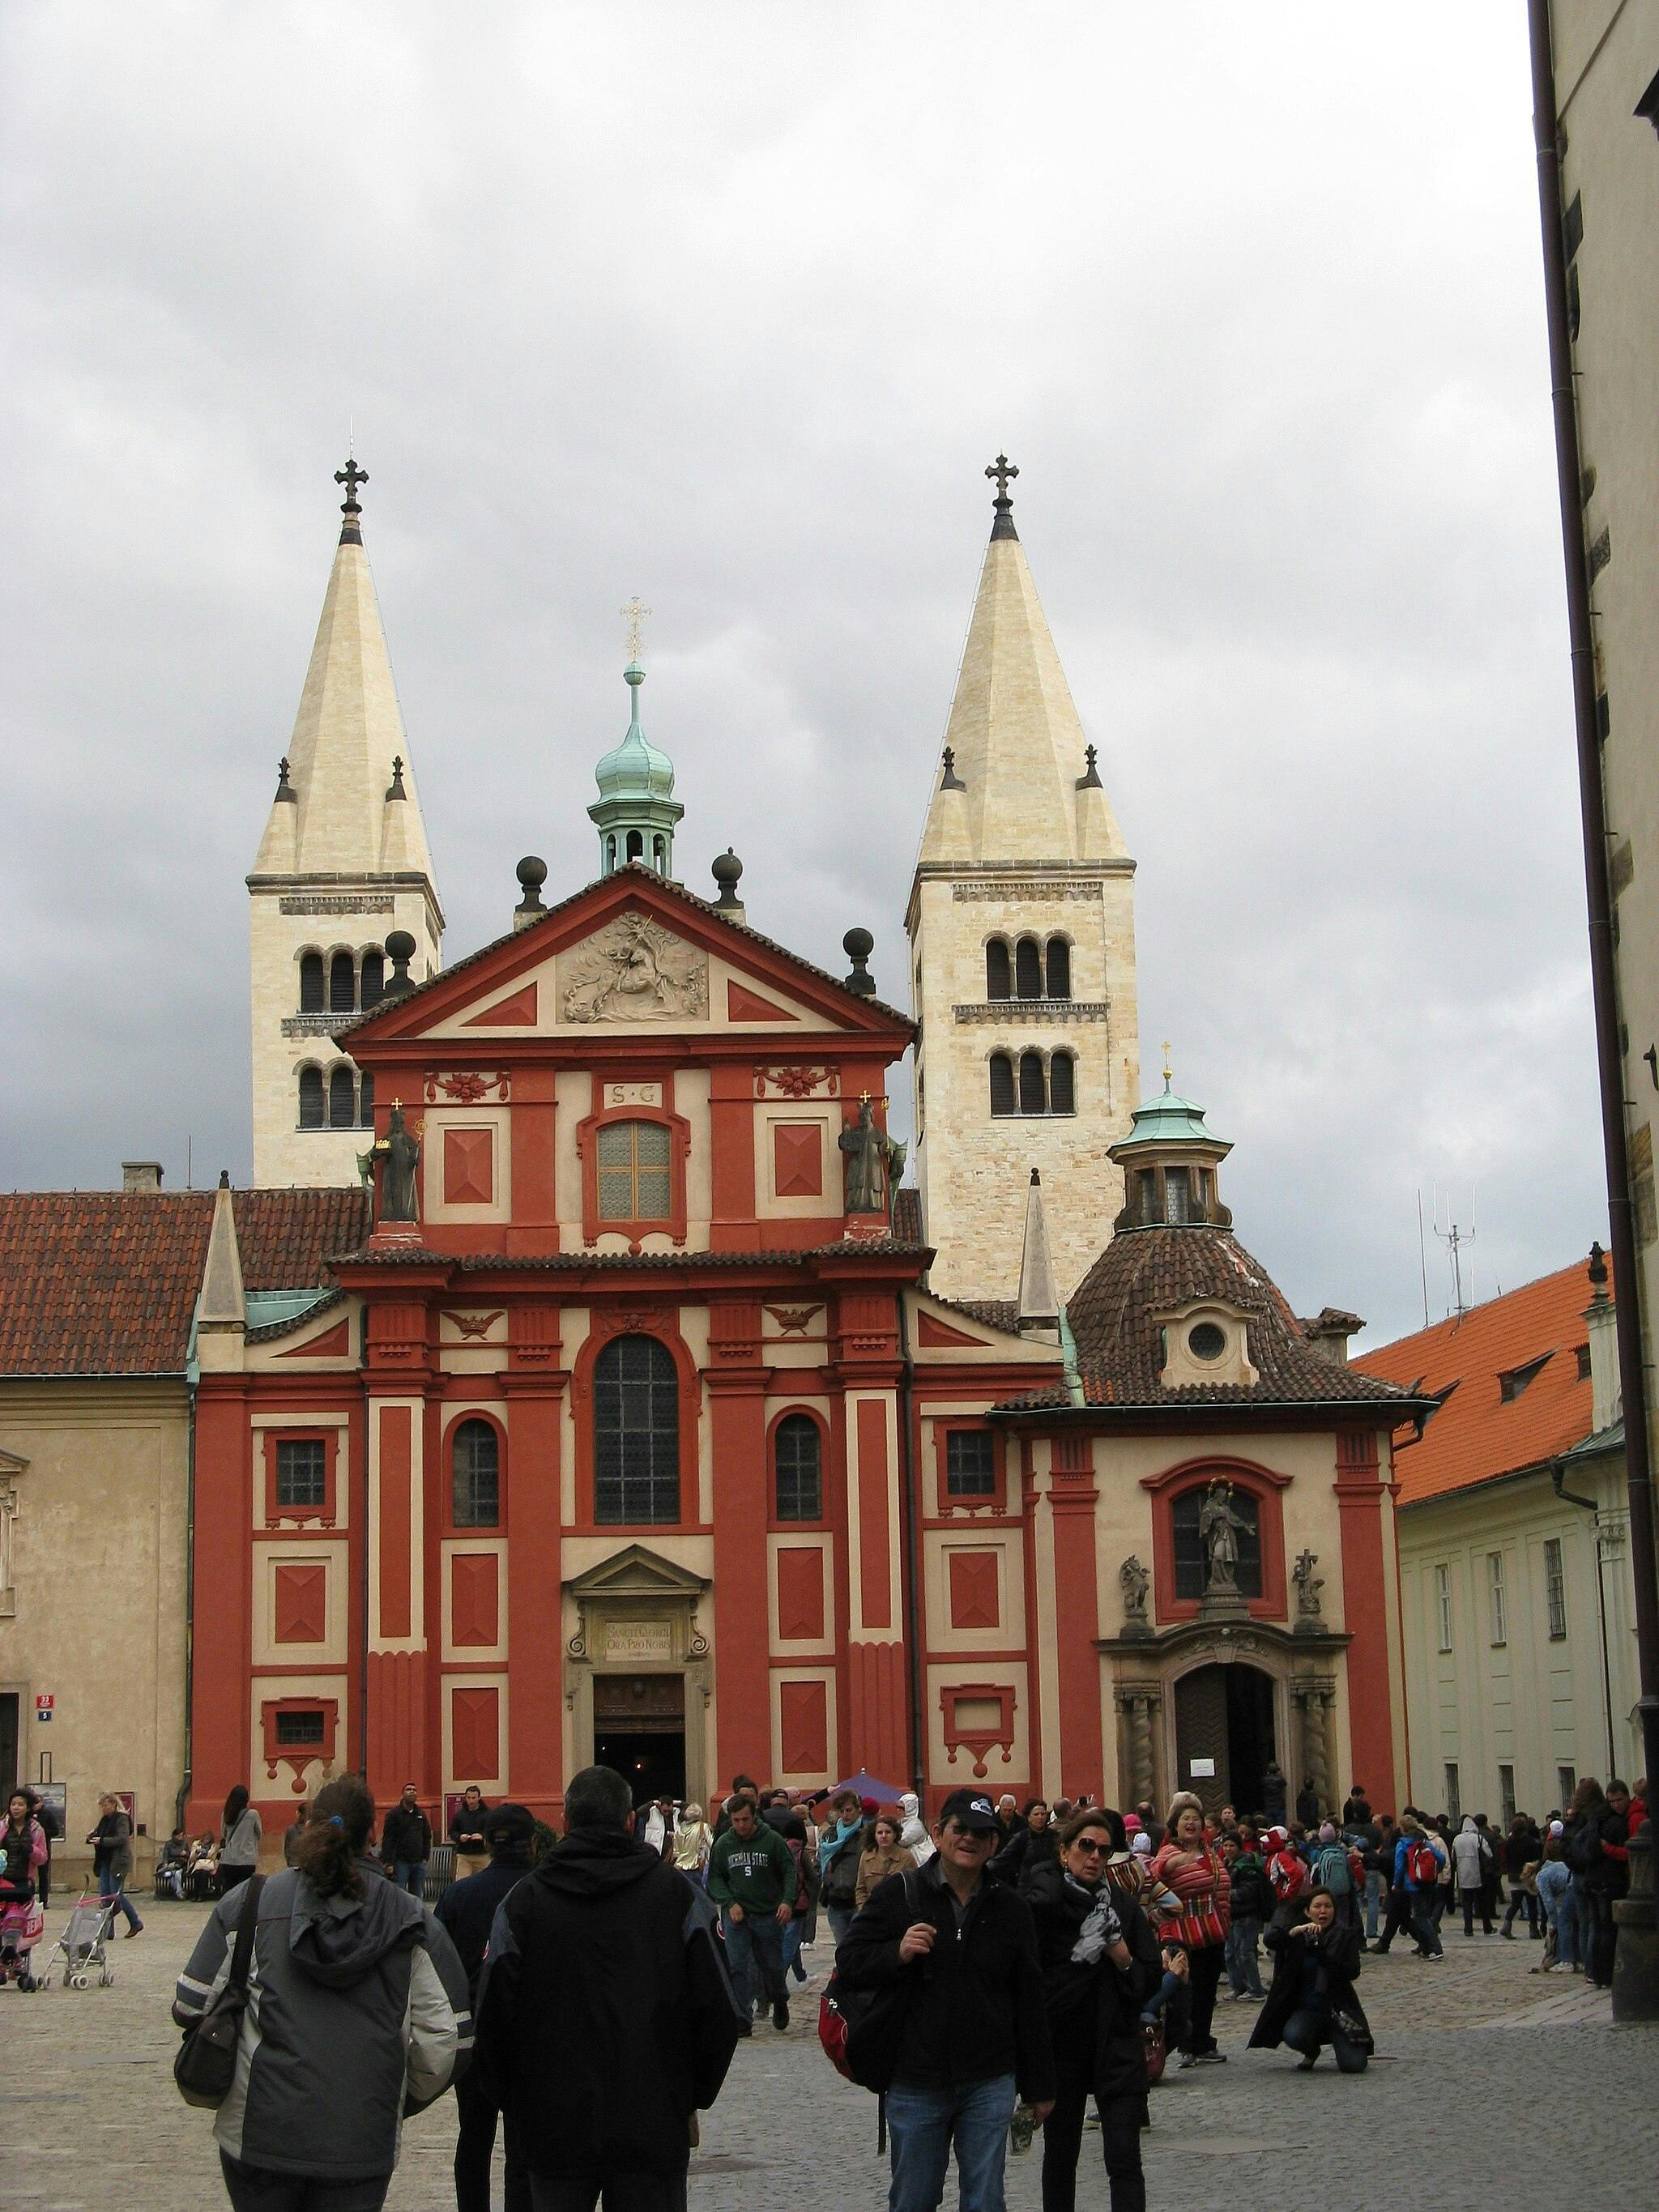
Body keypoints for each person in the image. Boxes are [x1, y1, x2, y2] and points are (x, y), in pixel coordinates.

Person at [173, 1771, 468, 2212]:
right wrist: (397, 2098)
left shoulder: (251, 1902)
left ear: (308, 1825)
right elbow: (448, 2040)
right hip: (360, 2138)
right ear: (372, 1833)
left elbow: (189, 2004)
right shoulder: (414, 1920)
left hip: (261, 2134)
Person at [476, 1763, 740, 2212]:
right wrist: (685, 2095)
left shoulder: (523, 1902)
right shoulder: (678, 1897)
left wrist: (520, 2105)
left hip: (553, 2125)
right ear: (631, 1822)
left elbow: (492, 2018)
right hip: (653, 2122)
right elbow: (720, 2011)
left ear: (563, 1822)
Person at [836, 1787, 1055, 2212]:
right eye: (959, 1829)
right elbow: (850, 1960)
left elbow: (1030, 1999)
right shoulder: (900, 1894)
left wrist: (1040, 2086)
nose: (969, 1839)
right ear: (937, 1834)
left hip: (989, 2078)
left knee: (985, 2199)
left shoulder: (1011, 1908)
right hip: (916, 2078)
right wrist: (895, 1953)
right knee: (914, 2199)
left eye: (981, 1832)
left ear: (994, 1843)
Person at [1026, 1809, 1160, 2212]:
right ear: (1064, 1852)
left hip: (1116, 2047)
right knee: (1060, 2158)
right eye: (1086, 1846)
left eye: (1105, 1850)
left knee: (1124, 2159)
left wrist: (1122, 1958)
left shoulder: (1122, 1906)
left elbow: (1148, 1981)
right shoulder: (1045, 1905)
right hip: (1063, 2048)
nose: (1096, 1856)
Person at [436, 1801, 538, 2212]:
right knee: (523, 2144)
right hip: (529, 2036)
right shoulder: (543, 1889)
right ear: (532, 1844)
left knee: (473, 2139)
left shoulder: (459, 1894)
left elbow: (436, 1965)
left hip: (475, 2031)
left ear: (490, 1847)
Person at [1249, 1885, 1371, 2073]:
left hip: (1339, 2010)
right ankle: (1311, 2050)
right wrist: (1295, 1931)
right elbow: (1271, 1940)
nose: (1323, 1911)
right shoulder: (1299, 1937)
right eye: (1317, 1906)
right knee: (1294, 2035)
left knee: (1354, 2066)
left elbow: (1352, 1972)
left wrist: (1322, 1954)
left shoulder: (1344, 1935)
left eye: (1328, 1906)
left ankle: (1341, 2040)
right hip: (1308, 2009)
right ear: (1307, 1911)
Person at [1149, 1793, 1230, 2066]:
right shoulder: (1169, 1852)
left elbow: (1222, 1888)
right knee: (1185, 1990)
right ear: (1175, 1824)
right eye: (1186, 1819)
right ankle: (1185, 2042)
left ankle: (1202, 2042)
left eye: (1196, 1819)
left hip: (1211, 1930)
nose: (1192, 1823)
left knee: (1207, 1991)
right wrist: (1175, 1863)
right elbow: (1157, 1870)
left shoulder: (1210, 1853)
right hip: (1182, 1932)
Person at [707, 1794, 797, 2033]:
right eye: (736, 1820)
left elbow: (789, 1871)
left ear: (754, 1816)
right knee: (737, 1965)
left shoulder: (772, 1840)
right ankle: (742, 2017)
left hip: (768, 1913)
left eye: (745, 1819)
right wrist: (728, 1902)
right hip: (737, 1914)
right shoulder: (724, 1844)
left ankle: (779, 1999)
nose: (741, 1825)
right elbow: (715, 1878)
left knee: (771, 1965)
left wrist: (787, 1901)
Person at [1566, 1775, 1629, 1988]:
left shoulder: (1576, 1819)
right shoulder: (1608, 1820)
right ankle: (1602, 1972)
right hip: (1604, 1878)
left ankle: (1591, 1972)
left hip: (1584, 1875)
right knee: (1603, 1928)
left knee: (1589, 1926)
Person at [87, 1792, 143, 1936]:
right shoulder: (104, 1820)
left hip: (118, 1861)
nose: (104, 1809)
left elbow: (122, 1838)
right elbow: (100, 1834)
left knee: (116, 1895)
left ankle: (135, 1922)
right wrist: (92, 1837)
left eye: (106, 1806)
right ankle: (108, 1930)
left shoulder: (122, 1819)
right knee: (105, 1895)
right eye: (102, 1806)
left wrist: (103, 1840)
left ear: (114, 1805)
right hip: (105, 1860)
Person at [1221, 1832, 1269, 2000]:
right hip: (1231, 1915)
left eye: (1231, 1845)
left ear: (1239, 1847)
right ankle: (1238, 1986)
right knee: (1230, 1954)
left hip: (1246, 1915)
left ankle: (1255, 1988)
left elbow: (1248, 1892)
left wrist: (1226, 1893)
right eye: (1225, 1845)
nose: (1228, 1849)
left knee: (1245, 1953)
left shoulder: (1247, 1867)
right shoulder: (1226, 1864)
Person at [817, 1790, 868, 1946]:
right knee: (842, 1947)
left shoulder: (865, 1834)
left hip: (857, 1901)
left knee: (856, 1945)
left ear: (858, 1810)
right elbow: (820, 1861)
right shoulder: (831, 1835)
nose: (845, 1815)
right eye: (841, 1811)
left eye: (849, 1810)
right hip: (835, 1900)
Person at [990, 1799, 1059, 1894]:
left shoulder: (1055, 1837)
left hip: (1051, 1887)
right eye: (1036, 1814)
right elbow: (1000, 1859)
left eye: (1043, 1814)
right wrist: (981, 1871)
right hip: (1027, 1889)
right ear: (1029, 1817)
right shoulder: (1021, 1837)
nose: (1040, 1817)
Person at [1533, 1833, 1576, 1971]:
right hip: (1577, 1881)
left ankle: (1567, 1960)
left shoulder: (1541, 1877)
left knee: (1563, 1924)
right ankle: (1579, 1958)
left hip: (1573, 1885)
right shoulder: (1553, 1867)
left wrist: (1554, 1924)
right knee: (1577, 1924)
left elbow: (1549, 1903)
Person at [381, 1782, 432, 1899]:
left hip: (419, 1863)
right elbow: (388, 1839)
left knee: (417, 1897)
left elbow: (427, 1836)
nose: (412, 1792)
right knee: (399, 1896)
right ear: (402, 1794)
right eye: (409, 1789)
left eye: (414, 1790)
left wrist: (425, 1858)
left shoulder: (421, 1814)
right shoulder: (394, 1815)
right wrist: (388, 1862)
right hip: (400, 1863)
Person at [855, 1813, 916, 1909]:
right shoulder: (866, 1856)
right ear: (874, 1836)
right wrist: (863, 1910)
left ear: (895, 1835)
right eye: (880, 1833)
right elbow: (860, 1889)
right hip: (872, 1914)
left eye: (888, 1832)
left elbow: (915, 1889)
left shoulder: (906, 1857)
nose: (884, 1836)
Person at [218, 1784, 262, 1896]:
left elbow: (224, 1834)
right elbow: (259, 1834)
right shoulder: (253, 1814)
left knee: (229, 1894)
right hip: (247, 1860)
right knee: (244, 1894)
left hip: (229, 1859)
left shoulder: (226, 1814)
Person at [1452, 1815, 1491, 1936]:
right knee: (1482, 1902)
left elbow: (1453, 1856)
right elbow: (1489, 1854)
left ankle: (1468, 1928)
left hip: (1463, 1874)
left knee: (1467, 1903)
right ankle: (1487, 1926)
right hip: (1477, 1872)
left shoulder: (1457, 1839)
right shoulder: (1478, 1838)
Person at [450, 1785, 492, 1878]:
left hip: (482, 1855)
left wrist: (482, 1837)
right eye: (469, 1798)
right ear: (466, 1798)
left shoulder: (488, 1814)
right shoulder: (460, 1814)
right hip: (464, 1855)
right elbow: (452, 1831)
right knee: (462, 1882)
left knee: (485, 1882)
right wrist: (459, 1837)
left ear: (479, 1798)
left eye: (474, 1798)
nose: (471, 1801)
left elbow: (492, 1831)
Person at [672, 1800, 714, 1877]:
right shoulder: (703, 1827)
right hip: (696, 1867)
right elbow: (712, 1844)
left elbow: (676, 1853)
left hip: (680, 1867)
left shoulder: (678, 1830)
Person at [898, 1789, 936, 1867]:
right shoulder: (903, 1822)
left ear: (909, 1808)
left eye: (902, 1808)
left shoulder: (916, 1825)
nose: (898, 1810)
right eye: (897, 1807)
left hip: (921, 1861)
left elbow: (902, 1840)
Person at [156, 1827, 191, 1899]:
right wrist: (165, 1863)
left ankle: (177, 1890)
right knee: (175, 1873)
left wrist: (186, 1854)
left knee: (176, 1874)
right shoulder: (169, 1844)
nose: (180, 1838)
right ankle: (179, 1892)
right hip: (171, 1862)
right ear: (174, 1836)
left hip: (181, 1864)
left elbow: (188, 1855)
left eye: (182, 1836)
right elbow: (166, 1854)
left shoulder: (184, 1843)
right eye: (179, 1836)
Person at [282, 1803, 309, 1868]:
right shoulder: (314, 1829)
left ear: (298, 1814)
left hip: (294, 1865)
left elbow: (287, 1849)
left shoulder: (291, 1829)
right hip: (308, 1866)